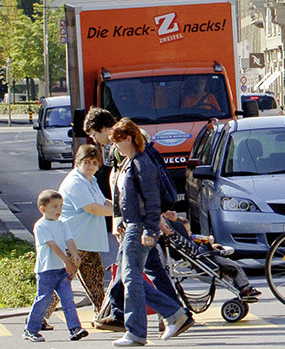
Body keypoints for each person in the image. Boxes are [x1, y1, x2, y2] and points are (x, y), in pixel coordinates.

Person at [84, 109, 184, 334]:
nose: (95, 141)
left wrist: (154, 218)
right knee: (139, 269)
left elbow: (141, 187)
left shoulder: (125, 149)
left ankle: (169, 313)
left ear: (103, 128)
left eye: (93, 134)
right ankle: (160, 313)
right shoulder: (122, 147)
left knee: (132, 272)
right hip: (134, 221)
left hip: (137, 223)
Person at [110, 118, 193, 346]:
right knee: (131, 277)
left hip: (138, 226)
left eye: (118, 142)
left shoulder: (141, 163)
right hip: (134, 225)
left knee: (131, 278)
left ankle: (139, 330)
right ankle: (173, 314)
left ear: (128, 139)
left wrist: (150, 229)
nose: (115, 147)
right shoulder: (132, 161)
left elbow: (152, 199)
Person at [46, 145, 112, 325]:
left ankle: (102, 313)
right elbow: (92, 208)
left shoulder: (90, 180)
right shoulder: (75, 182)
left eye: (93, 163)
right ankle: (39, 316)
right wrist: (120, 212)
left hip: (87, 241)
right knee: (62, 279)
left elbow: (102, 201)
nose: (90, 166)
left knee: (96, 279)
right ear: (77, 163)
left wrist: (120, 207)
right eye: (86, 163)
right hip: (73, 242)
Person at [25, 190, 90, 343]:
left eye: (60, 206)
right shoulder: (40, 226)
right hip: (46, 270)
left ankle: (75, 328)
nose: (59, 210)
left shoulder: (62, 223)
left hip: (60, 270)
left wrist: (74, 254)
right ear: (43, 209)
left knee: (68, 299)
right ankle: (31, 329)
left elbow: (69, 240)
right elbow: (52, 245)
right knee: (43, 300)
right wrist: (67, 261)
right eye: (54, 207)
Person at [159, 211, 260, 297]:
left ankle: (241, 287)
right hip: (205, 259)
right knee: (235, 266)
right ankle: (245, 288)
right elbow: (199, 251)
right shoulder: (187, 242)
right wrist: (209, 246)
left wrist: (211, 246)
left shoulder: (187, 241)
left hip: (203, 258)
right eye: (188, 231)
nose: (190, 233)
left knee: (231, 266)